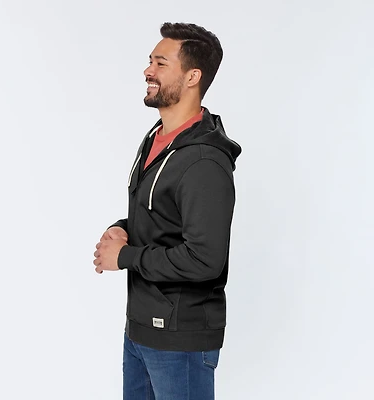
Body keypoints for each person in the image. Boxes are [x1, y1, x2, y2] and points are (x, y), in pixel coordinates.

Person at [93, 22, 241, 400]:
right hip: (139, 331)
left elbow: (204, 259)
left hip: (180, 341)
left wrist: (125, 257)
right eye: (150, 61)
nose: (148, 71)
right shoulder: (156, 139)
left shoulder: (204, 161)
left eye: (161, 63)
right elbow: (161, 216)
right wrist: (122, 228)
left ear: (193, 77)